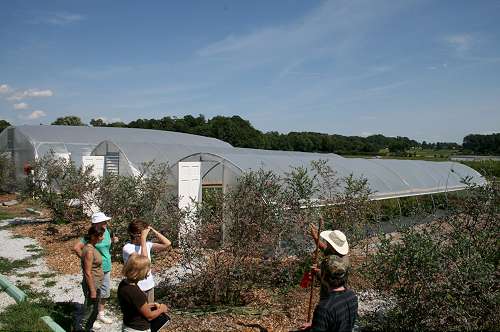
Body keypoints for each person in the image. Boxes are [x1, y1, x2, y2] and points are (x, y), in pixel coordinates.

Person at [74, 212, 118, 327]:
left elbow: (106, 245)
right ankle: (90, 319)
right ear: (96, 224)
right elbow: (77, 247)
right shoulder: (90, 236)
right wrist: (87, 260)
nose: (106, 223)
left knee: (104, 292)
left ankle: (100, 314)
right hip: (94, 270)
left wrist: (113, 241)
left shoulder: (107, 232)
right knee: (92, 294)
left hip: (106, 267)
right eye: (103, 222)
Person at [300, 255, 358, 331]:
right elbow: (339, 321)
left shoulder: (324, 308)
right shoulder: (352, 296)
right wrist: (315, 324)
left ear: (324, 276)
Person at [122, 220, 171, 303]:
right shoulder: (128, 248)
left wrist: (153, 230)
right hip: (137, 287)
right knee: (139, 313)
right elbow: (144, 259)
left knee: (150, 311)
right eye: (143, 233)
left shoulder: (147, 244)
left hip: (149, 285)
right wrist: (143, 239)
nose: (146, 235)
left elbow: (167, 244)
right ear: (136, 234)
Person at [118, 253, 169, 332]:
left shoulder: (124, 284)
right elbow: (149, 316)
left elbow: (134, 304)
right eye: (147, 269)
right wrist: (162, 309)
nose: (148, 271)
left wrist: (147, 305)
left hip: (128, 325)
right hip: (138, 329)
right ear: (139, 272)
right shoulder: (135, 292)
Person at [310, 225, 350, 299]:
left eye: (328, 242)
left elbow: (332, 281)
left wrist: (317, 272)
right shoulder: (335, 252)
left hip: (332, 296)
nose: (326, 242)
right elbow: (323, 247)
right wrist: (315, 237)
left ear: (332, 246)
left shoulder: (340, 262)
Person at [78, 226, 105, 332]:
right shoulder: (89, 251)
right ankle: (83, 329)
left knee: (94, 311)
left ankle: (88, 328)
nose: (102, 238)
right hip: (92, 284)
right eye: (100, 235)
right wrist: (92, 290)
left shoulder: (91, 247)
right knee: (90, 311)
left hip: (96, 283)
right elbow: (87, 272)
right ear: (93, 236)